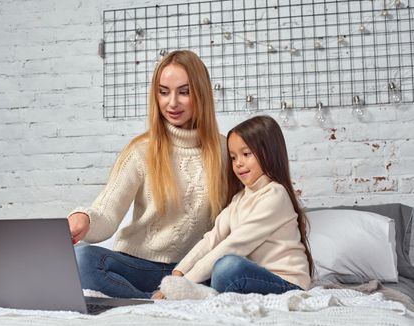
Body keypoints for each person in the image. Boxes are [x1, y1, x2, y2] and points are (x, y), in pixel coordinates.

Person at [67, 50, 228, 299]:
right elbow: (107, 214)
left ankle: (168, 295)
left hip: (195, 270)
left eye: (184, 92)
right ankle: (150, 301)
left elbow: (240, 216)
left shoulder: (226, 151)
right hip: (140, 265)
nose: (172, 103)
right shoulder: (141, 150)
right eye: (163, 92)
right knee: (82, 259)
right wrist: (84, 219)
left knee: (231, 270)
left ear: (202, 94)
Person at [153, 115, 313, 300]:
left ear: (268, 152)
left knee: (227, 266)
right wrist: (178, 274)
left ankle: (199, 293)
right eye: (233, 157)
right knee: (213, 267)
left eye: (246, 154)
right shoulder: (240, 198)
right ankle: (170, 294)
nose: (238, 163)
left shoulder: (275, 195)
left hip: (286, 283)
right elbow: (212, 239)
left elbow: (234, 245)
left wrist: (184, 284)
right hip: (253, 277)